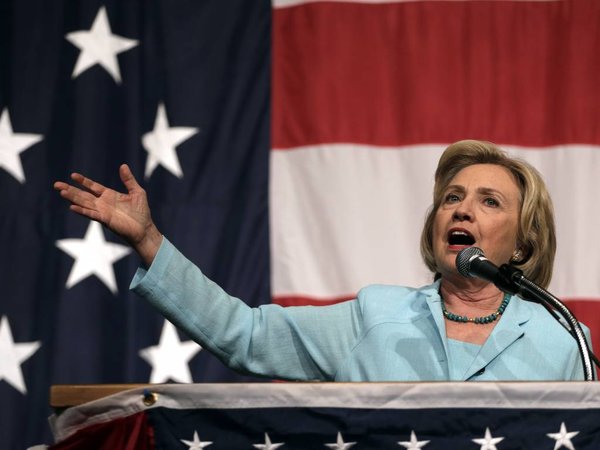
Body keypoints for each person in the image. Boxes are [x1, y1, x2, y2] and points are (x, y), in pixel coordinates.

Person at [54, 139, 592, 381]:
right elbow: (245, 334)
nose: (463, 208)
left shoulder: (563, 338)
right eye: (452, 197)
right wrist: (150, 240)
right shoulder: (377, 315)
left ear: (522, 243)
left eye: (488, 201)